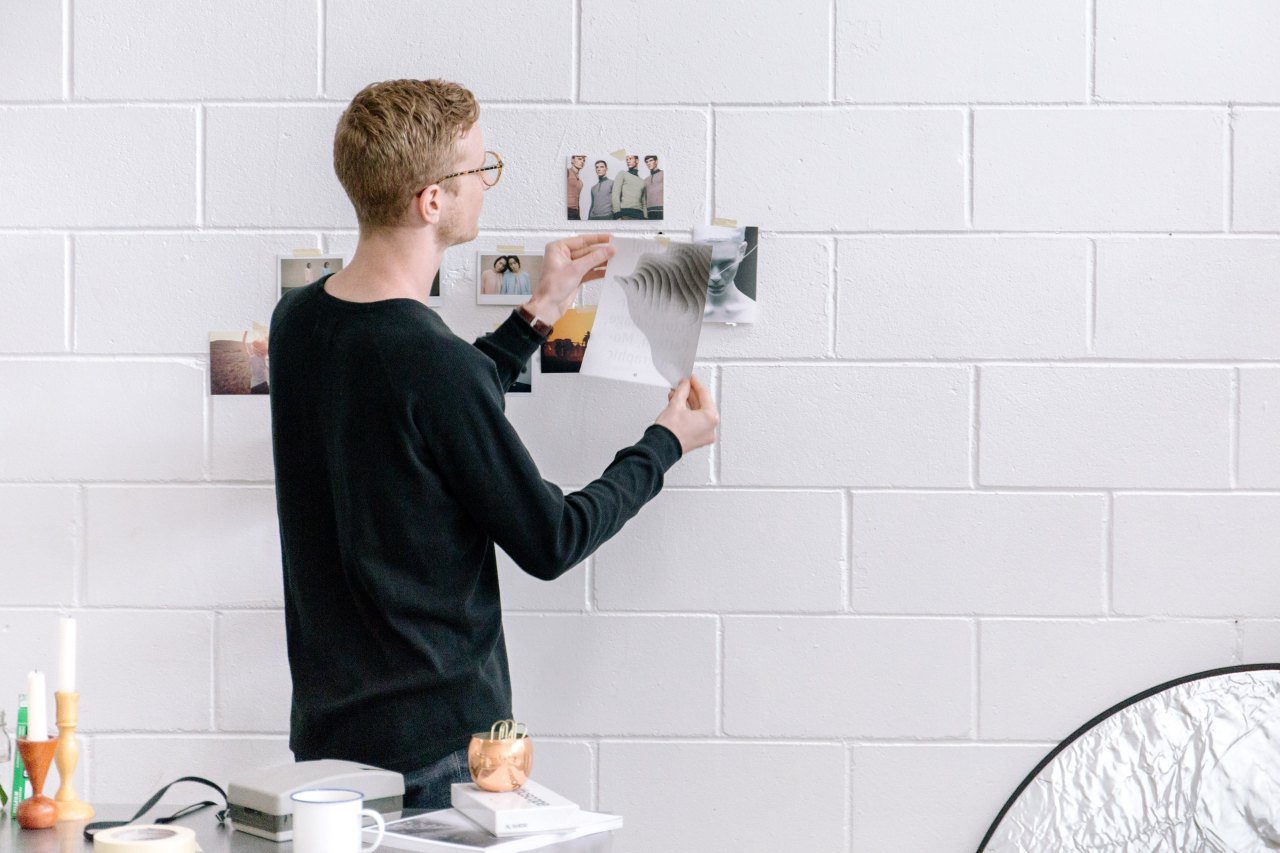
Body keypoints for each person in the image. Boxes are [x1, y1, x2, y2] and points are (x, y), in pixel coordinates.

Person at [268, 78, 719, 812]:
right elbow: (551, 538)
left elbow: (429, 410)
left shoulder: (297, 323)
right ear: (432, 201)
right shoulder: (433, 363)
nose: (487, 181)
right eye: (479, 167)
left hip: (326, 743)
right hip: (437, 754)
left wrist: (540, 309)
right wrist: (666, 442)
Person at [611, 154, 646, 220]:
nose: (628, 161)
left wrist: (646, 218)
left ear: (637, 160)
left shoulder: (642, 181)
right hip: (625, 214)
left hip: (640, 215)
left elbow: (644, 203)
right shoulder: (622, 174)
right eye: (627, 159)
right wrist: (617, 215)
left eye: (630, 159)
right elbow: (615, 194)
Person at [643, 155, 663, 220]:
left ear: (656, 161)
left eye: (651, 160)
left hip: (661, 209)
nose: (648, 163)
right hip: (649, 211)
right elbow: (644, 197)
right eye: (647, 162)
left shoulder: (664, 174)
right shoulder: (645, 180)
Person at [566, 154, 585, 220]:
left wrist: (579, 216)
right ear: (572, 160)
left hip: (576, 213)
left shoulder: (580, 182)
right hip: (567, 211)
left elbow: (577, 199)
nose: (582, 161)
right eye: (579, 159)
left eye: (584, 160)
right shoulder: (567, 172)